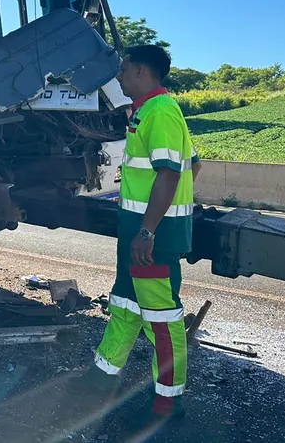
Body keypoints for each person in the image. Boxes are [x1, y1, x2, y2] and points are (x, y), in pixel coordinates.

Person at [83, 45, 201, 432]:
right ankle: (101, 378)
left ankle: (167, 406)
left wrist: (150, 229)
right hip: (139, 231)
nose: (118, 76)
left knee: (162, 320)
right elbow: (193, 164)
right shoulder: (147, 111)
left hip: (151, 238)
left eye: (123, 69)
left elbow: (170, 173)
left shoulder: (161, 112)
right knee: (126, 305)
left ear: (140, 72)